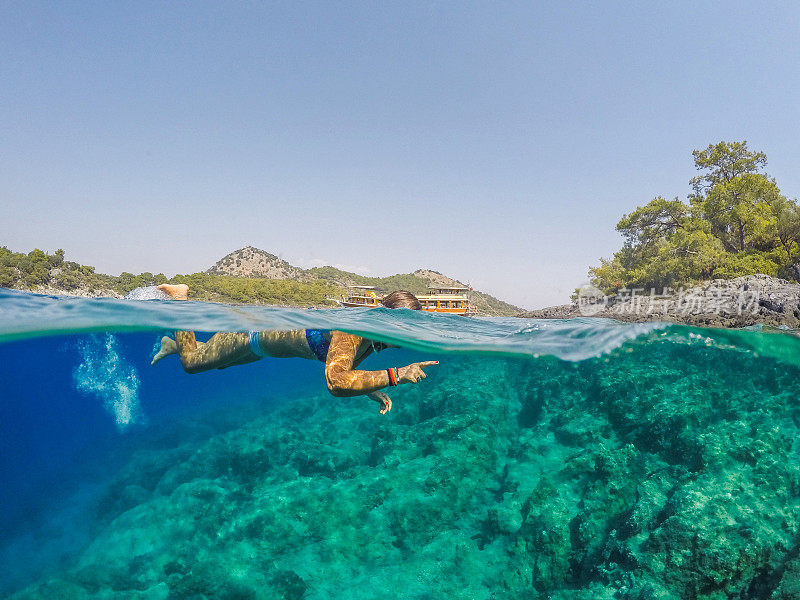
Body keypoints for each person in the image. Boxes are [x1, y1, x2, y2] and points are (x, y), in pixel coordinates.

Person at [151, 284, 438, 414]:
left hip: (260, 348)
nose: (404, 339)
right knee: (193, 363)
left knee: (219, 362)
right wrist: (396, 374)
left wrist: (369, 388)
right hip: (249, 336)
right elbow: (336, 382)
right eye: (403, 330)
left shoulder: (370, 340)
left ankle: (172, 344)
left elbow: (342, 367)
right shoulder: (352, 333)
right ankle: (179, 299)